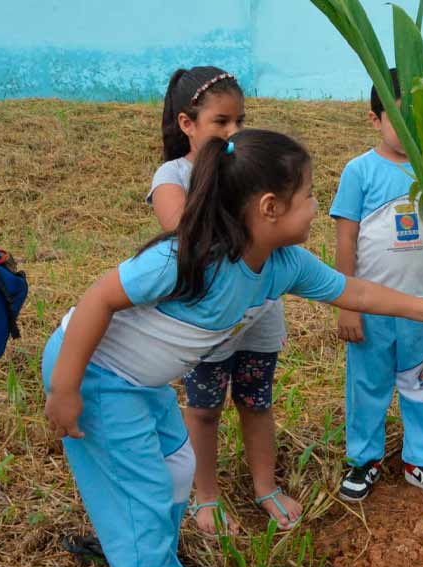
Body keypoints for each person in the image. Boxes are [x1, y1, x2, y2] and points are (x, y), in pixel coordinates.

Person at [43, 129, 423, 567]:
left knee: (176, 474)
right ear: (269, 207)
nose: (315, 207)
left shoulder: (282, 265)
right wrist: (64, 389)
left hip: (138, 383)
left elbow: (353, 290)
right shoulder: (192, 259)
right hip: (93, 374)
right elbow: (99, 298)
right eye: (308, 195)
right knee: (140, 499)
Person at [147, 66, 298, 533]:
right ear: (187, 124)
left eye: (241, 121)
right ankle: (206, 496)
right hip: (206, 323)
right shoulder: (173, 176)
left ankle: (265, 486)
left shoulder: (250, 170)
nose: (234, 132)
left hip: (260, 312)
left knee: (257, 402)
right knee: (205, 409)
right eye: (221, 122)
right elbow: (181, 232)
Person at [331, 69, 423, 503]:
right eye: (399, 119)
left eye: (418, 121)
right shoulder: (359, 172)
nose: (409, 131)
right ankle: (363, 460)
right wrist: (347, 304)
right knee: (367, 386)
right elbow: (346, 239)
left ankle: (421, 460)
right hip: (372, 311)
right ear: (374, 119)